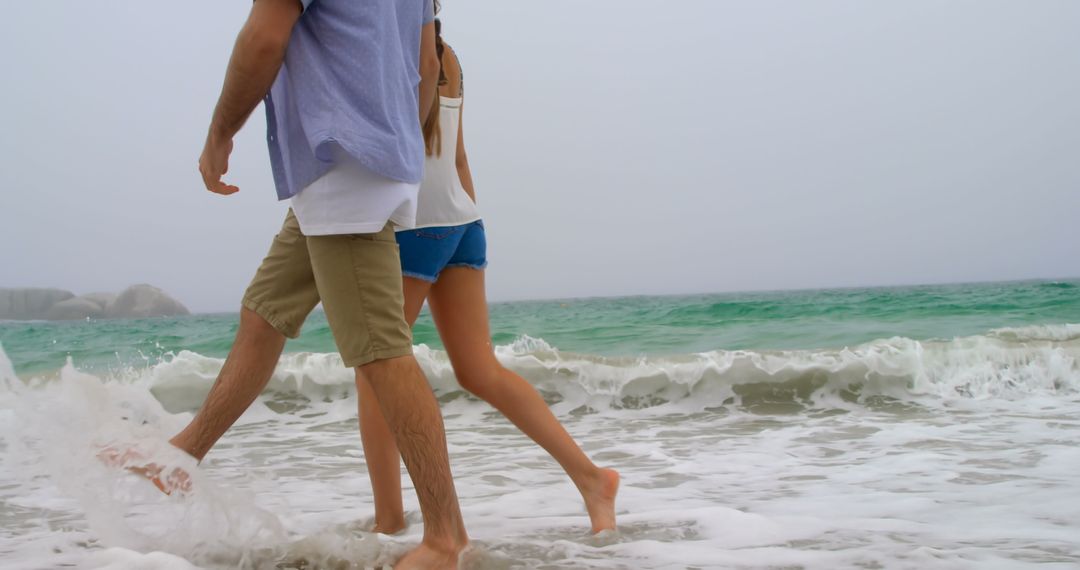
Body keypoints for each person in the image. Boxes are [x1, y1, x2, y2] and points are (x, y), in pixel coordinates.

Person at [139, 1, 469, 567]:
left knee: (380, 351)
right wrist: (391, 147)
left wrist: (220, 134)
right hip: (355, 164)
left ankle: (446, 537)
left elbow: (264, 37)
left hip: (344, 165)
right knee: (265, 312)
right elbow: (421, 64)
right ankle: (182, 456)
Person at [355, 21, 620, 536]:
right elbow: (456, 155)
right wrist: (472, 224)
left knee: (375, 372)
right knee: (480, 370)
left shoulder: (398, 50)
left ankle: (388, 521)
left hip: (414, 225)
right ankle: (592, 479)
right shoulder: (448, 54)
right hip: (463, 222)